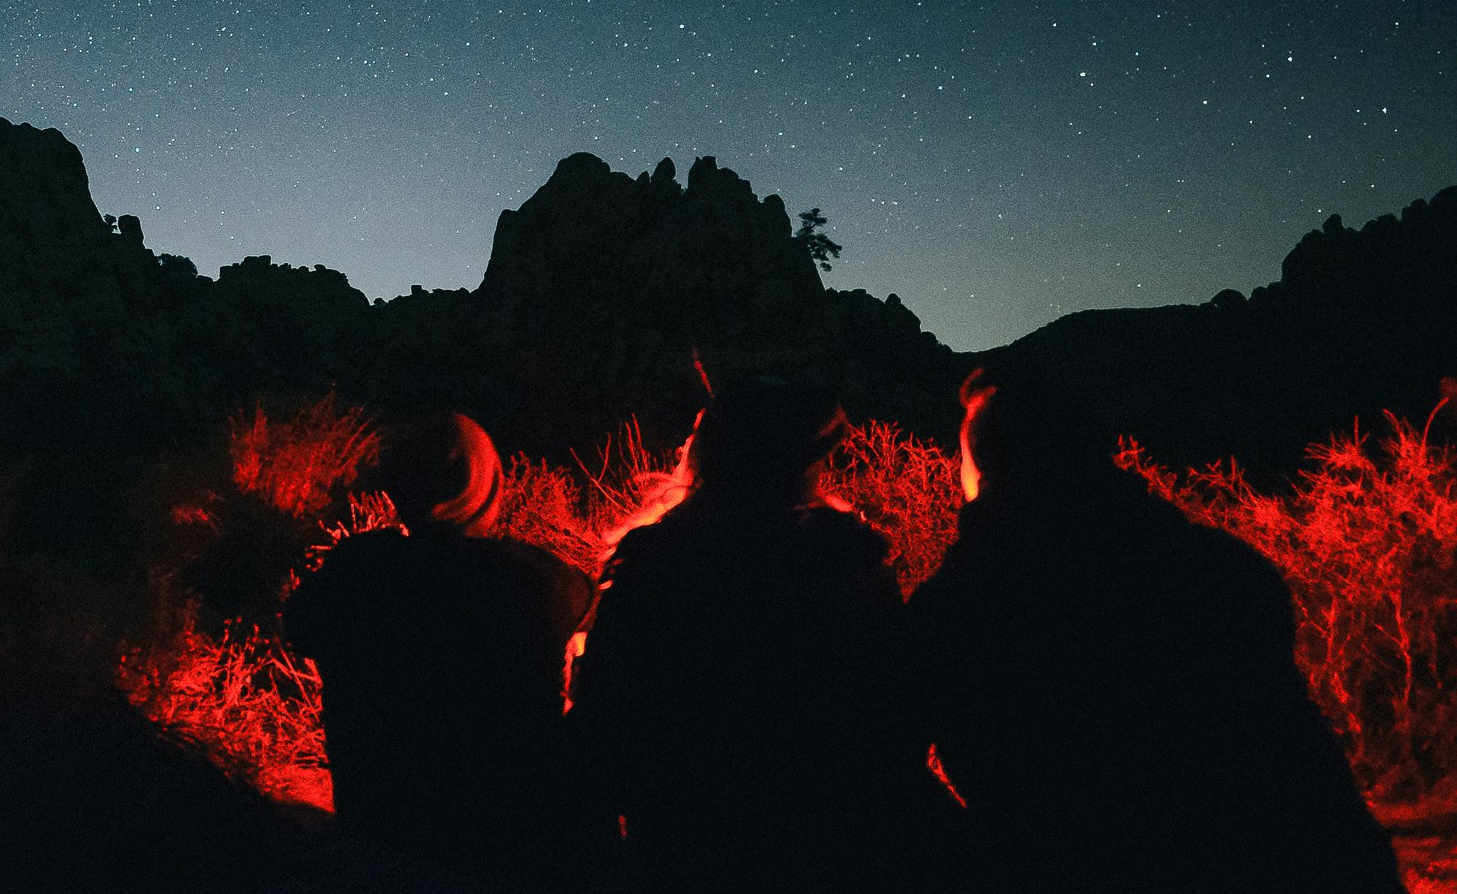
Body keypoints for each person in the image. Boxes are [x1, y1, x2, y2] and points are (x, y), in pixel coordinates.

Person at [909, 367, 1403, 893]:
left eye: (962, 457)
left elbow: (884, 774)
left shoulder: (956, 613)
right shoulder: (1223, 572)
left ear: (986, 471)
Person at [566, 377, 942, 893]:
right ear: (807, 465)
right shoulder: (851, 566)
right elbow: (895, 724)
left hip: (683, 851)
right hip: (831, 852)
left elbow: (604, 726)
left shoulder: (653, 565)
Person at [284, 411, 607, 890]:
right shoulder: (536, 578)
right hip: (508, 844)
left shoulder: (357, 573)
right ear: (489, 487)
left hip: (383, 832)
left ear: (400, 485)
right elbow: (598, 616)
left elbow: (299, 627)